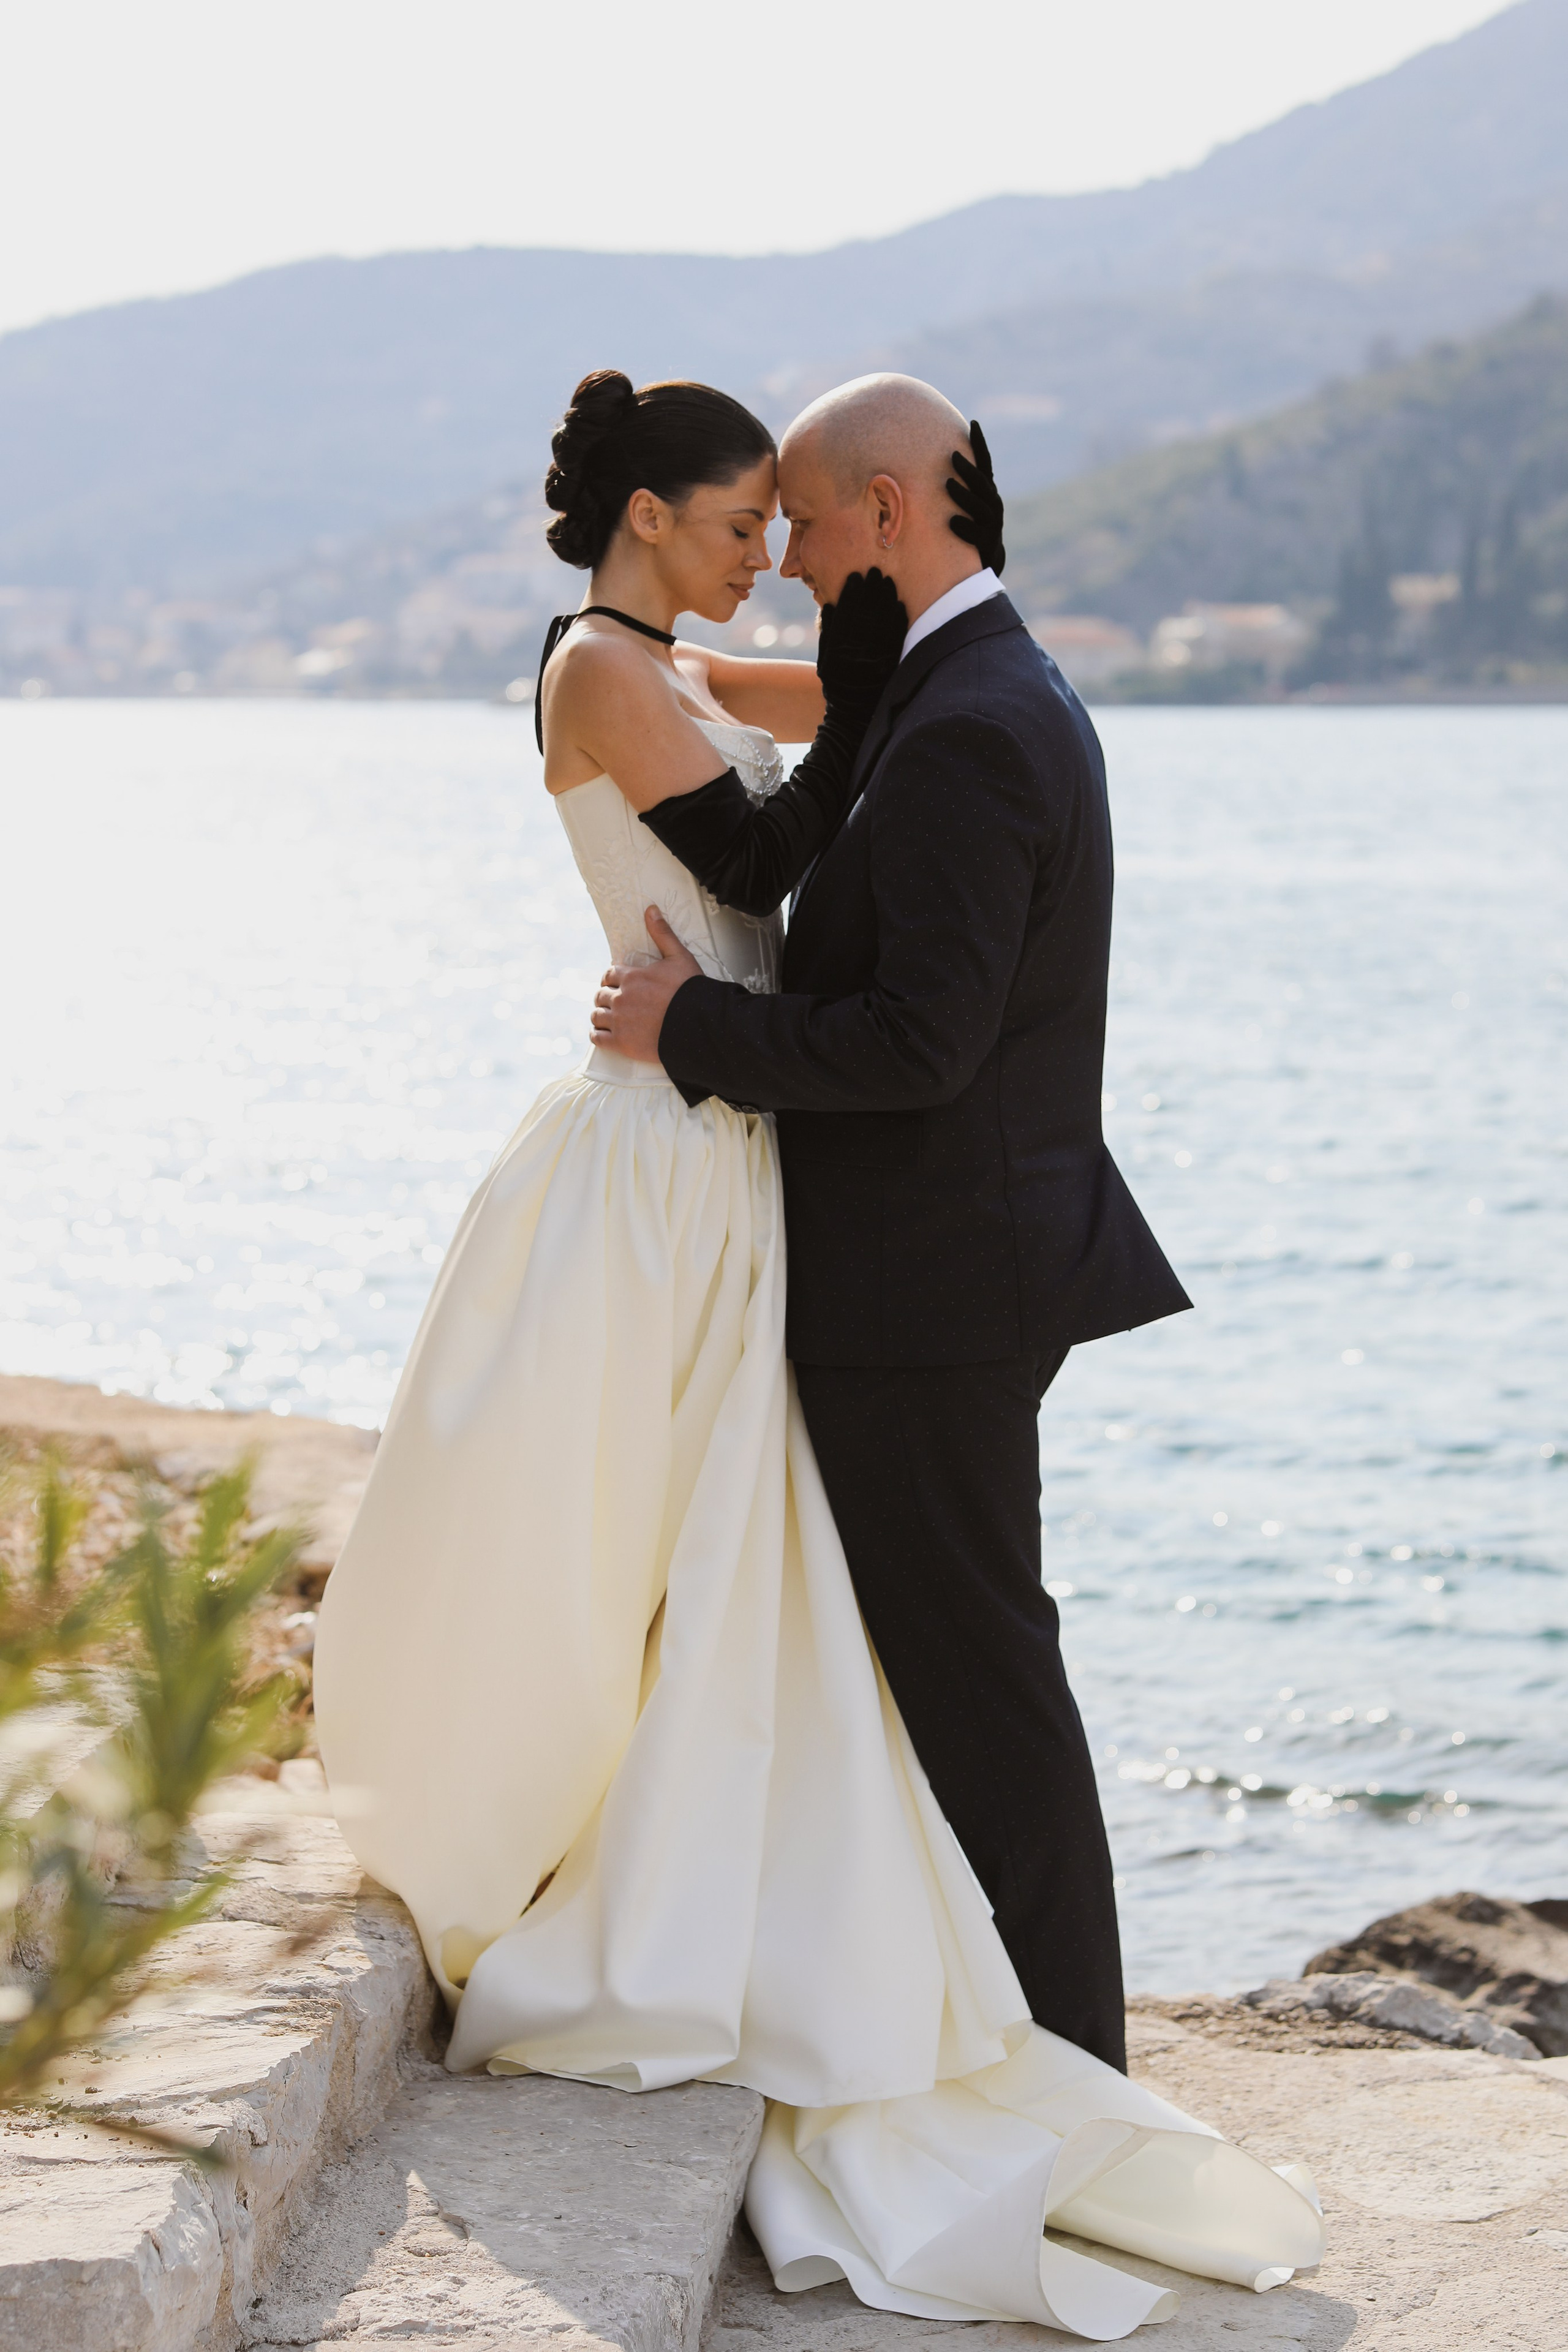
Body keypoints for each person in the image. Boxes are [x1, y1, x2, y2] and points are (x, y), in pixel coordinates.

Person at [315, 368, 1323, 2338]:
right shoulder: (915, 687)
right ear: (653, 520)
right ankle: (874, 1981)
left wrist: (687, 1026)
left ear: (880, 511)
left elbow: (887, 995)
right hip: (746, 1204)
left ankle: (1066, 2070)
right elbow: (768, 808)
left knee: (958, 1674)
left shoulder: (961, 714)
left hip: (902, 1255)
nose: (772, 559)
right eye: (739, 522)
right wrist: (807, 748)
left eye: (791, 521)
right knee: (721, 1592)